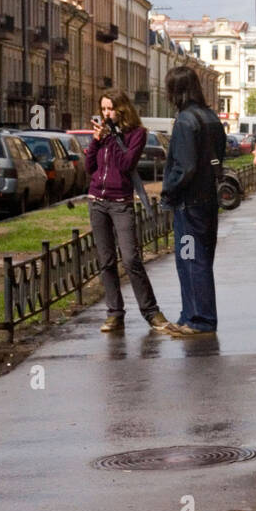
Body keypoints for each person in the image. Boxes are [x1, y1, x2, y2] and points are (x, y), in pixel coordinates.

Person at [84, 89, 170, 333]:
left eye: (110, 108)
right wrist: (96, 141)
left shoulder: (137, 134)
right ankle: (114, 313)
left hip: (121, 201)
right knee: (106, 260)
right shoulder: (103, 135)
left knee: (131, 258)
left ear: (122, 109)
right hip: (97, 201)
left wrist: (110, 137)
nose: (106, 113)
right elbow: (90, 167)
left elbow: (126, 164)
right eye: (103, 109)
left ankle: (151, 312)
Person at [160, 65, 226, 337]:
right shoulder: (210, 117)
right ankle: (189, 316)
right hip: (208, 198)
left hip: (189, 203)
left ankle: (199, 319)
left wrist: (168, 190)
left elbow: (184, 167)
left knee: (190, 260)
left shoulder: (186, 121)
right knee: (199, 260)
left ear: (176, 91)